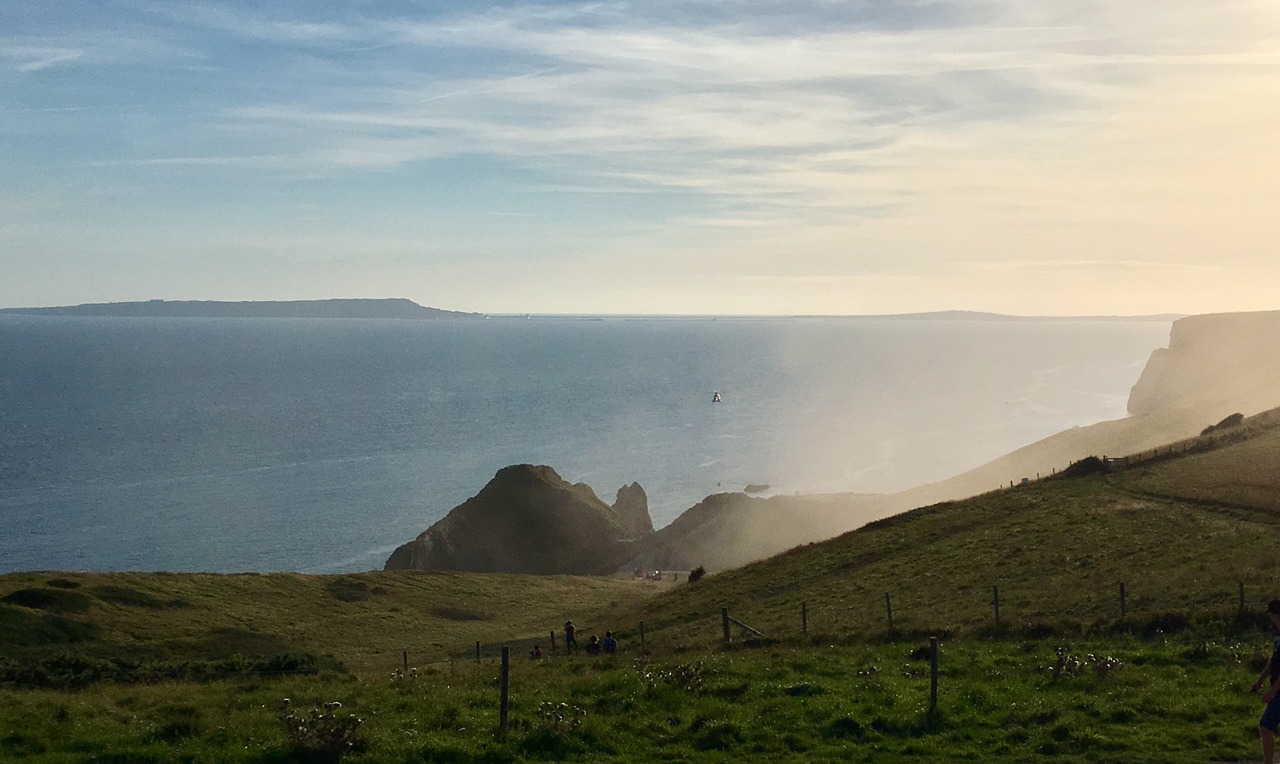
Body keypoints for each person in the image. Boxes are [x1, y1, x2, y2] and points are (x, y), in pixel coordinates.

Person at [1251, 599, 1280, 764]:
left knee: (1266, 726)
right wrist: (1260, 680)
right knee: (1267, 726)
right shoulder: (1278, 636)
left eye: (1271, 614)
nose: (1270, 617)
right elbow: (1274, 660)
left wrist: (1272, 693)